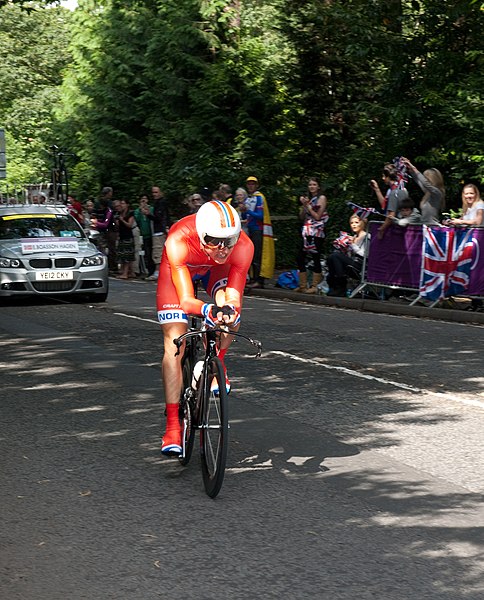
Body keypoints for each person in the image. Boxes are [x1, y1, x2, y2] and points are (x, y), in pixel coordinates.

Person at [156, 200, 254, 455]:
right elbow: (187, 300)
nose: (222, 248)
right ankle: (172, 428)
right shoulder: (178, 239)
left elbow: (233, 296)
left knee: (231, 315)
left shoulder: (243, 247)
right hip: (180, 270)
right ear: (201, 235)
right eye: (213, 240)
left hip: (214, 272)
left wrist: (227, 311)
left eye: (228, 240)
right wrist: (207, 310)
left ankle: (215, 365)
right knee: (175, 341)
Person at [294, 177, 329, 293]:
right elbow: (301, 217)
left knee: (315, 257)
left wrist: (309, 207)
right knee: (300, 257)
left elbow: (318, 216)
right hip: (307, 231)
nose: (312, 187)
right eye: (310, 185)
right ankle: (303, 285)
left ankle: (315, 286)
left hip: (317, 232)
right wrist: (304, 206)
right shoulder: (310, 199)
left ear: (318, 186)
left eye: (314, 184)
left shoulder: (321, 198)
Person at [327, 214, 368, 297]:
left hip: (361, 265)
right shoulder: (354, 237)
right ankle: (335, 285)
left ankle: (341, 286)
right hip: (352, 262)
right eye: (351, 223)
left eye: (356, 222)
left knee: (335, 256)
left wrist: (353, 245)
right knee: (331, 257)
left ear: (363, 223)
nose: (354, 225)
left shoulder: (367, 236)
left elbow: (366, 255)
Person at [401, 157, 445, 225]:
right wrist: (410, 170)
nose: (423, 179)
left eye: (426, 178)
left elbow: (425, 184)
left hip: (432, 227)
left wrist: (414, 168)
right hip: (425, 225)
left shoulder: (437, 193)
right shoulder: (428, 192)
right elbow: (418, 181)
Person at [370, 163, 409, 239]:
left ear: (389, 176)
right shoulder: (391, 190)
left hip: (397, 229)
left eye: (384, 176)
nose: (383, 178)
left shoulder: (395, 191)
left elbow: (391, 215)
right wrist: (377, 189)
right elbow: (385, 206)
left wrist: (382, 229)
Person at [146, 186, 171, 281]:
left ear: (161, 192)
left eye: (156, 192)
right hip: (160, 230)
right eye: (153, 192)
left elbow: (159, 218)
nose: (154, 194)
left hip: (159, 231)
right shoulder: (158, 203)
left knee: (158, 250)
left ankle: (158, 271)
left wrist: (148, 214)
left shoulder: (161, 203)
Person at [134, 194, 155, 277]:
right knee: (146, 253)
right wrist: (140, 210)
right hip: (143, 235)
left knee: (152, 253)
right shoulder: (137, 211)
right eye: (142, 199)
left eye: (145, 199)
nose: (144, 201)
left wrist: (148, 212)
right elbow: (137, 220)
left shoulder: (152, 209)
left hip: (151, 234)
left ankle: (152, 271)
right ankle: (146, 270)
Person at [116, 199, 135, 279]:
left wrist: (122, 220)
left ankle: (125, 273)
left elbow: (130, 225)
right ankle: (130, 272)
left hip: (128, 236)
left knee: (127, 256)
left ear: (127, 205)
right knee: (122, 255)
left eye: (123, 203)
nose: (121, 205)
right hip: (122, 236)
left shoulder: (130, 214)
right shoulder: (119, 214)